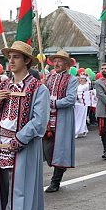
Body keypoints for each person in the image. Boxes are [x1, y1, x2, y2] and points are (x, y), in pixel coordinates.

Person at [0, 41, 49, 210]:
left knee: (19, 189)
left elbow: (40, 121)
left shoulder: (38, 88)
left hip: (22, 146)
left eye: (16, 57)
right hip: (1, 144)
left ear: (26, 61)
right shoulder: (4, 85)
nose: (11, 61)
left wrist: (19, 139)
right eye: (9, 57)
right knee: (5, 187)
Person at [43, 50, 78, 193]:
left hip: (62, 119)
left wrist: (53, 103)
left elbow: (70, 99)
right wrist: (43, 87)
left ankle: (55, 181)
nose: (56, 63)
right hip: (47, 120)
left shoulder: (72, 79)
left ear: (66, 64)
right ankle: (57, 169)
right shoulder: (49, 78)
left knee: (60, 151)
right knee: (46, 149)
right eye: (55, 61)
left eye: (60, 61)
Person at [74, 74, 89, 138]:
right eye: (80, 79)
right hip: (77, 103)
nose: (81, 80)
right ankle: (84, 129)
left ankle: (77, 131)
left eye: (82, 79)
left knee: (80, 117)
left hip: (83, 103)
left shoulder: (86, 85)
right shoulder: (79, 85)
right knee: (78, 117)